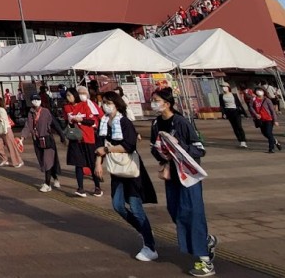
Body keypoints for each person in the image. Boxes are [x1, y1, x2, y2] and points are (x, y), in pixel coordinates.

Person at [150, 87, 217, 278]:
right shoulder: (156, 123)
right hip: (172, 175)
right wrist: (160, 152)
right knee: (175, 211)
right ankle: (205, 240)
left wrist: (179, 146)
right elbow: (154, 149)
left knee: (192, 212)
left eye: (156, 100)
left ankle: (204, 260)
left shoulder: (181, 122)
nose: (153, 103)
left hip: (188, 175)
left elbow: (199, 149)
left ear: (167, 103)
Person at [93, 91, 158, 262]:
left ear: (116, 103)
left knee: (136, 208)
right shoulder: (104, 122)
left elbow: (129, 145)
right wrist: (98, 163)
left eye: (108, 102)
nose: (105, 105)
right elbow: (100, 143)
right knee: (118, 205)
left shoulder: (124, 122)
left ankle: (150, 246)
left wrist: (107, 150)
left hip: (130, 169)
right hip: (116, 169)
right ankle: (143, 230)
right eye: (103, 102)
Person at [19, 93, 64, 192]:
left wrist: (62, 135)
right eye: (33, 100)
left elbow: (54, 124)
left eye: (37, 99)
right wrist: (22, 138)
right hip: (37, 141)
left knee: (48, 161)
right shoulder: (31, 113)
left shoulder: (46, 111)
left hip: (47, 140)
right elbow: (28, 126)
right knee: (44, 162)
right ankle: (55, 177)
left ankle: (47, 184)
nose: (35, 101)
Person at [64, 86, 103, 197]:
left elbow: (92, 121)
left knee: (91, 163)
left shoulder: (84, 105)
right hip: (76, 139)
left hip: (87, 137)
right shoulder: (66, 107)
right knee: (78, 164)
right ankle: (80, 188)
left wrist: (81, 119)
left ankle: (97, 187)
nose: (68, 97)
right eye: (67, 95)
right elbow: (66, 122)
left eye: (69, 95)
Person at [0, 96, 23, 168]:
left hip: (6, 130)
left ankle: (18, 161)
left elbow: (3, 120)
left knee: (11, 146)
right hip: (1, 131)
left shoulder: (2, 110)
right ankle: (4, 159)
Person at [248, 86, 281, 154]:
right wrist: (255, 114)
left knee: (269, 133)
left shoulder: (267, 100)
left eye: (260, 90)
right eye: (257, 90)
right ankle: (275, 141)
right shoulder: (253, 99)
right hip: (260, 120)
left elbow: (272, 111)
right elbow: (250, 107)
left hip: (269, 119)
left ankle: (271, 149)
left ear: (264, 91)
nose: (259, 91)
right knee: (265, 133)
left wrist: (275, 120)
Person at [218, 83, 248, 148]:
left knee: (239, 126)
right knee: (234, 127)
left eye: (225, 86)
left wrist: (245, 113)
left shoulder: (234, 95)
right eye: (222, 87)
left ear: (228, 87)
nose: (223, 88)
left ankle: (243, 141)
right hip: (228, 112)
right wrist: (223, 113)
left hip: (236, 111)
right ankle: (240, 140)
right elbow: (222, 106)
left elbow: (239, 104)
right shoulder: (221, 96)